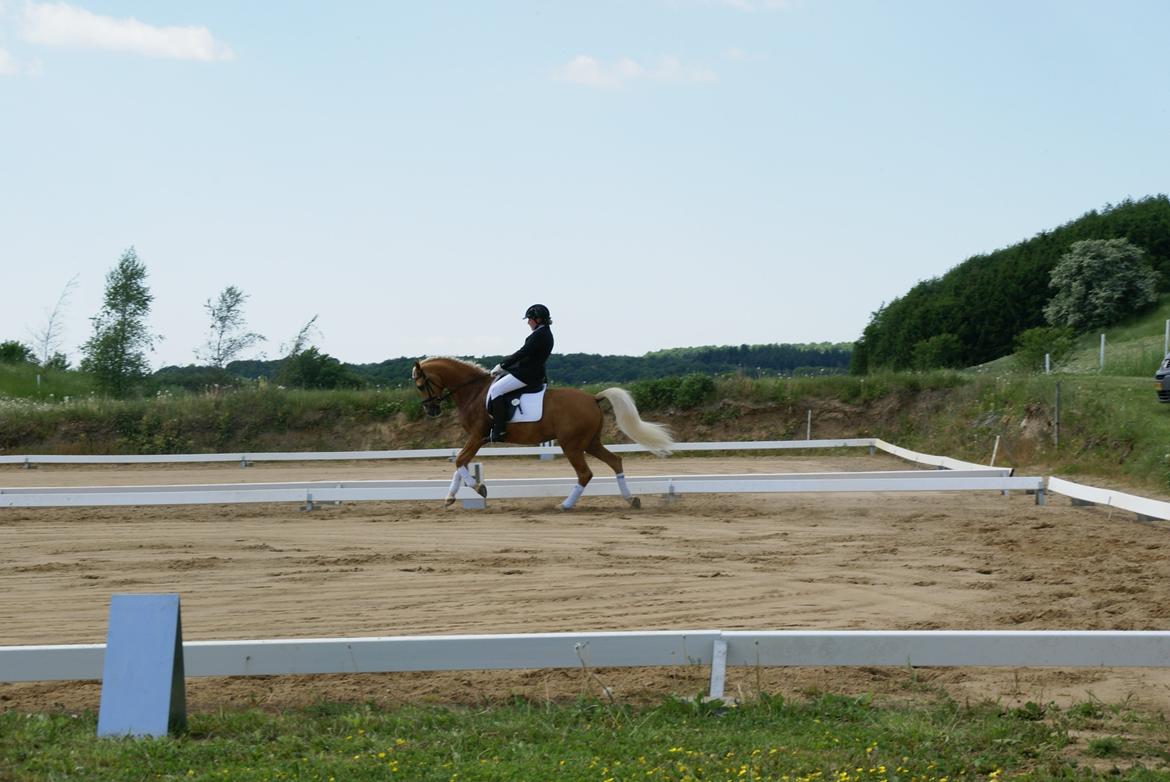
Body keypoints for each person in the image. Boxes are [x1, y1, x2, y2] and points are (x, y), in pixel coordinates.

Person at [485, 304, 554, 442]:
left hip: (528, 374)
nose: (528, 322)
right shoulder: (543, 332)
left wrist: (503, 365)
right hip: (531, 372)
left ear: (538, 319)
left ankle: (500, 429)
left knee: (496, 389)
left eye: (530, 319)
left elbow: (523, 353)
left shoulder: (540, 334)